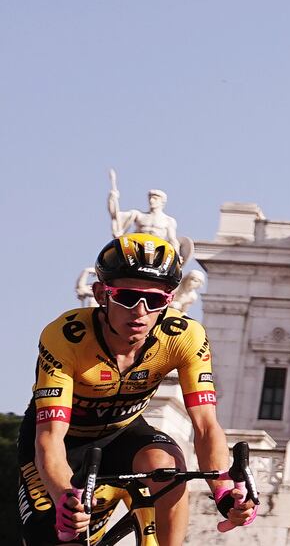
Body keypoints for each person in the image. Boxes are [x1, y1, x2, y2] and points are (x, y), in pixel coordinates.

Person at [18, 233, 255, 545]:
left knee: (168, 466)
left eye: (155, 300)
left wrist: (225, 491)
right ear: (101, 293)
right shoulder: (66, 337)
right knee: (61, 535)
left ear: (169, 301)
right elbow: (49, 438)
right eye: (127, 297)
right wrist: (64, 496)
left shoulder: (184, 337)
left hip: (124, 434)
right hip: (64, 442)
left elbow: (206, 425)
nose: (141, 311)